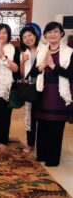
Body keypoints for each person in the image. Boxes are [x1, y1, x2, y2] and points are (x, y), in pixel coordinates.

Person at [35, 21, 73, 166]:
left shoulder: (69, 52)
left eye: (55, 31)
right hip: (43, 92)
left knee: (55, 128)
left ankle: (53, 159)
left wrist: (52, 66)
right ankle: (42, 155)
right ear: (45, 35)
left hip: (59, 94)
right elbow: (33, 72)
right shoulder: (42, 51)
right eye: (49, 32)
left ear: (61, 34)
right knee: (43, 126)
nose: (52, 34)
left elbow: (70, 74)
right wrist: (43, 65)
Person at [19, 23, 42, 154]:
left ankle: (42, 143)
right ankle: (30, 144)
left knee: (42, 116)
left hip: (42, 87)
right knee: (29, 117)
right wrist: (22, 62)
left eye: (30, 35)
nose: (28, 38)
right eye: (25, 37)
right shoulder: (23, 52)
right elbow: (22, 75)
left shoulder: (44, 49)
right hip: (29, 89)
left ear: (35, 36)